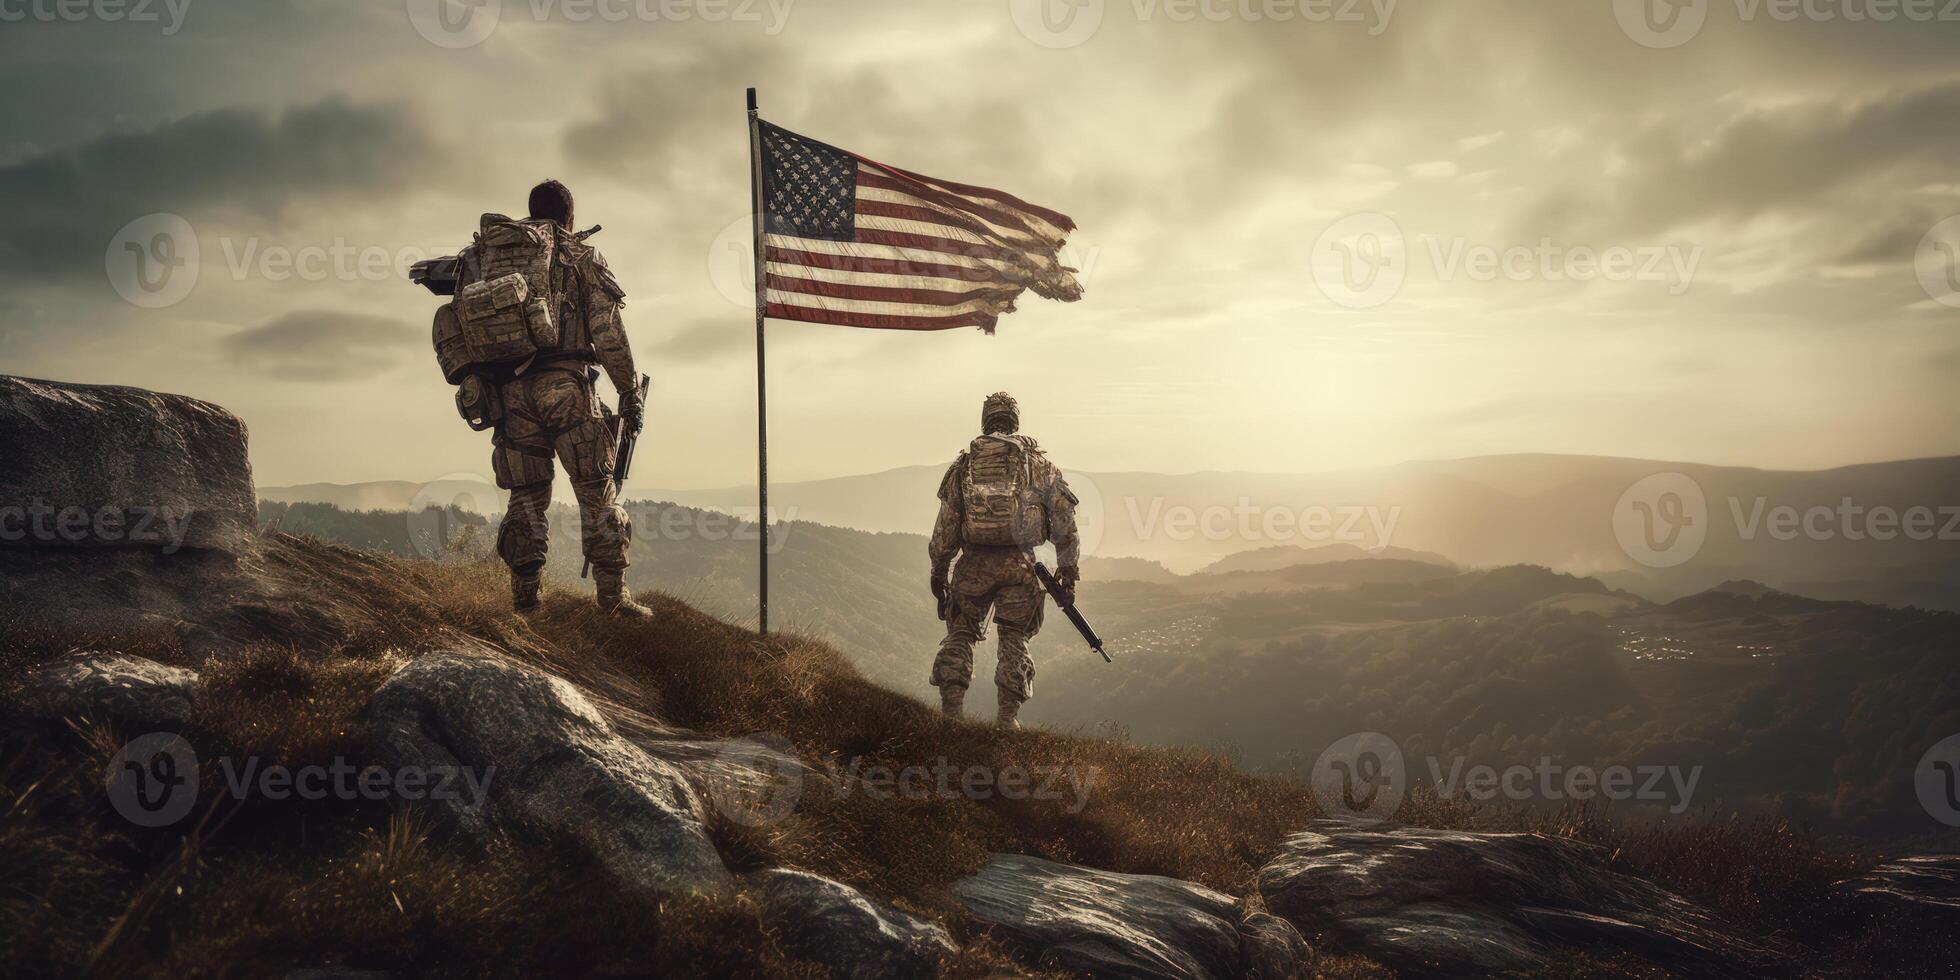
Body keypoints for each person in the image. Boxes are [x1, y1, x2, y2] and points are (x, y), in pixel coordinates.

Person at [472, 180, 649, 616]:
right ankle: (612, 601)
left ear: (530, 212)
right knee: (597, 494)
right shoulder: (579, 255)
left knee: (526, 500)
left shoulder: (487, 259)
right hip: (567, 390)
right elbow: (609, 334)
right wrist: (629, 394)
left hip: (510, 395)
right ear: (570, 217)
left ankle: (526, 603)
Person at [927, 392, 1080, 728]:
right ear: (1015, 421)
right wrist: (1067, 570)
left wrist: (939, 570)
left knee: (961, 633)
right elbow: (1064, 523)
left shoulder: (964, 466)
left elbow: (947, 526)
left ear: (985, 420)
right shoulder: (1040, 466)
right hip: (1021, 568)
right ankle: (1007, 720)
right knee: (1014, 638)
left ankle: (951, 713)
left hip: (973, 566)